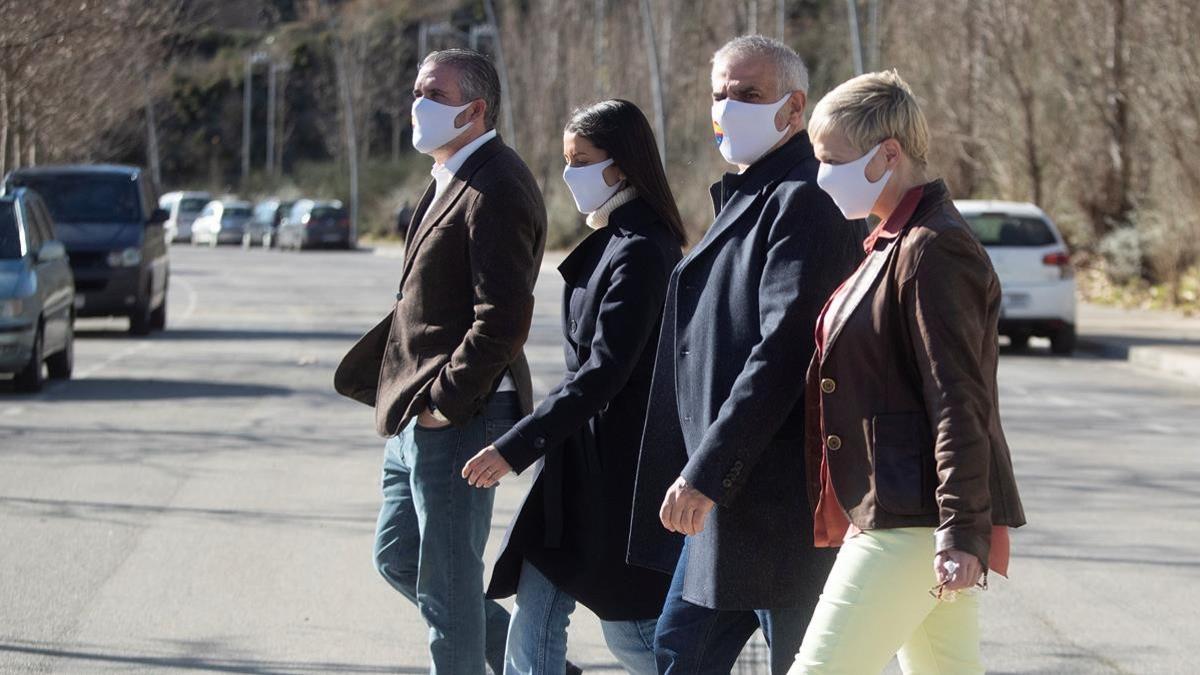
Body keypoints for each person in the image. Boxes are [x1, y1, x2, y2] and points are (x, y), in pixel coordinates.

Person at [626, 35, 869, 674]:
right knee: (679, 652)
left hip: (777, 505)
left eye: (749, 94)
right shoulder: (749, 193)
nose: (729, 108)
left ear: (795, 109)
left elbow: (783, 351)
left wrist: (706, 473)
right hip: (727, 507)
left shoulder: (804, 197)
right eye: (720, 94)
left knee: (802, 664)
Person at [789, 70, 1027, 674]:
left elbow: (958, 400)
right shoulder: (895, 241)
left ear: (887, 154)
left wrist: (961, 530)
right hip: (904, 514)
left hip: (914, 522)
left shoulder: (932, 247)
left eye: (833, 158)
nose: (822, 174)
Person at [333, 48, 547, 674]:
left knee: (449, 596)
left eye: (433, 94)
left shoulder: (498, 185)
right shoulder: (451, 174)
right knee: (398, 558)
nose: (416, 105)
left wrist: (444, 406)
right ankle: (539, 661)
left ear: (475, 110)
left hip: (457, 416)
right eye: (417, 90)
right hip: (415, 412)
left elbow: (502, 318)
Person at [461, 99, 684, 675]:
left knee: (633, 635)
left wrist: (517, 444)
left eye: (580, 160)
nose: (569, 174)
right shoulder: (618, 239)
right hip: (577, 462)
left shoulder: (642, 250)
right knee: (537, 603)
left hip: (615, 470)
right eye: (565, 160)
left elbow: (604, 371)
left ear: (622, 166)